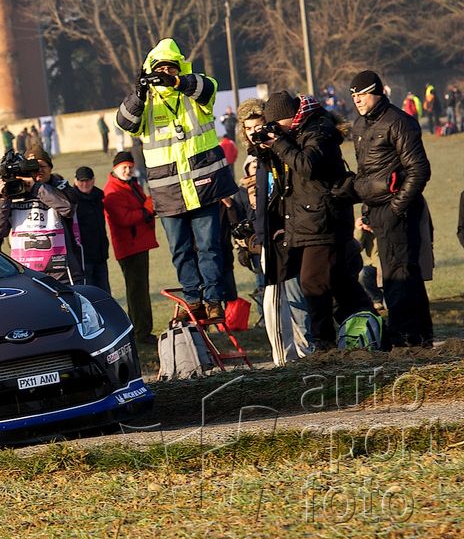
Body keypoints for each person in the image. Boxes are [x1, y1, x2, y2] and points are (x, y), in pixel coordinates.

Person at [115, 38, 237, 320]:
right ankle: (193, 298)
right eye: (161, 69)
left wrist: (177, 82)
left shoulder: (194, 94)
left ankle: (214, 298)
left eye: (171, 68)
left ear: (179, 68)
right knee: (180, 250)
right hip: (168, 191)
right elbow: (124, 123)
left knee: (209, 247)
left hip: (203, 186)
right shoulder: (146, 104)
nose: (165, 74)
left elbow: (208, 87)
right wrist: (139, 92)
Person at [258, 90, 375, 350]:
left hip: (324, 219)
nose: (274, 129)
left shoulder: (318, 129)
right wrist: (269, 148)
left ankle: (324, 344)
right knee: (341, 284)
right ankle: (370, 332)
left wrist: (278, 143)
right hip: (309, 220)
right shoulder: (294, 134)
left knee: (313, 282)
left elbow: (308, 166)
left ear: (289, 118)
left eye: (276, 124)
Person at [350, 70, 434, 347]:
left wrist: (396, 208)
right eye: (353, 96)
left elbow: (419, 170)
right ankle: (419, 337)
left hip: (399, 209)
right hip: (375, 209)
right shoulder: (360, 126)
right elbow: (365, 174)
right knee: (396, 272)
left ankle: (403, 336)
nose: (357, 100)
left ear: (377, 92)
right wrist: (366, 210)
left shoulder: (399, 122)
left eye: (362, 94)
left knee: (398, 273)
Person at [242, 100, 313, 363]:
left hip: (288, 231)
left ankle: (305, 352)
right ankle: (284, 358)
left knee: (295, 297)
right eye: (248, 128)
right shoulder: (255, 159)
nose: (254, 132)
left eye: (258, 126)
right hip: (269, 235)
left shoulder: (280, 150)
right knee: (275, 297)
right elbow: (258, 202)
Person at [0, 146, 83, 284]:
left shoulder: (61, 187)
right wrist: (1, 199)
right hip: (27, 272)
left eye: (42, 165)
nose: (38, 170)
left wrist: (36, 188)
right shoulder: (14, 193)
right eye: (33, 166)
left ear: (50, 168)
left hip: (62, 271)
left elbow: (67, 208)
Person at [103, 151, 158, 343]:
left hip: (138, 243)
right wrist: (147, 209)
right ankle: (141, 332)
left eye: (129, 167)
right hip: (129, 246)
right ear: (115, 169)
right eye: (123, 167)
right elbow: (124, 219)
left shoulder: (131, 185)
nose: (127, 170)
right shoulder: (113, 191)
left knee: (139, 288)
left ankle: (141, 329)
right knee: (137, 290)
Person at [69, 166, 111, 294]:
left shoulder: (98, 197)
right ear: (75, 181)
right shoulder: (71, 200)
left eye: (87, 180)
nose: (84, 184)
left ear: (93, 180)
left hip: (100, 255)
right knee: (90, 294)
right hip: (83, 258)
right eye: (81, 181)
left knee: (104, 293)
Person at [355, 214, 384, 310]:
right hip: (374, 266)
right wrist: (359, 230)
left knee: (391, 306)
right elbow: (356, 248)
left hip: (387, 266)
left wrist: (374, 230)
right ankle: (376, 299)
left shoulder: (385, 226)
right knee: (362, 274)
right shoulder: (366, 232)